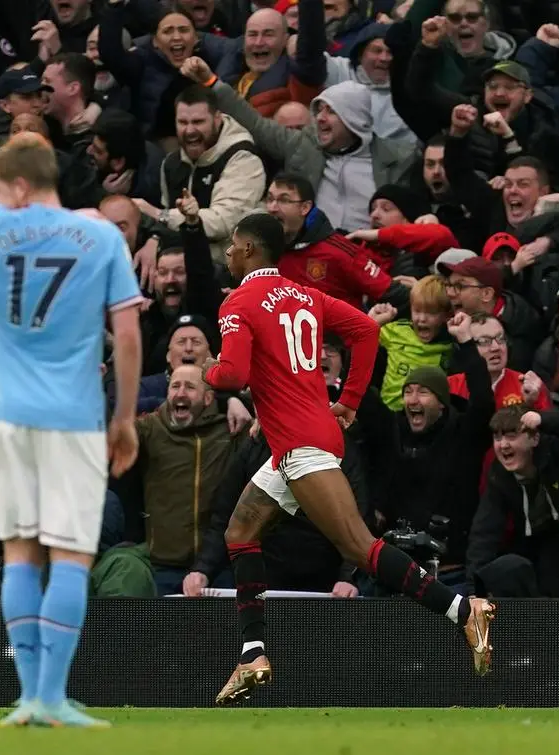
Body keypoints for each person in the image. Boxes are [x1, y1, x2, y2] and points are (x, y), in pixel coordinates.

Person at [202, 212, 496, 705]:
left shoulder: (237, 302)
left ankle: (464, 610)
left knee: (361, 548)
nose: (228, 254)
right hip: (302, 439)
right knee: (240, 533)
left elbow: (231, 375)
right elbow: (363, 329)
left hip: (300, 446)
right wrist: (350, 402)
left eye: (232, 245)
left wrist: (208, 369)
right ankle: (253, 653)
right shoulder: (302, 294)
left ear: (251, 249)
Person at [0, 132, 143, 728]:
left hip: (6, 414)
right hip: (73, 416)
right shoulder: (101, 238)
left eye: (0, 186)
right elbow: (127, 335)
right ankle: (51, 696)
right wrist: (123, 419)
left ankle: (26, 696)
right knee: (70, 556)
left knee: (19, 552)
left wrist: (8, 203)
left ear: (17, 185)